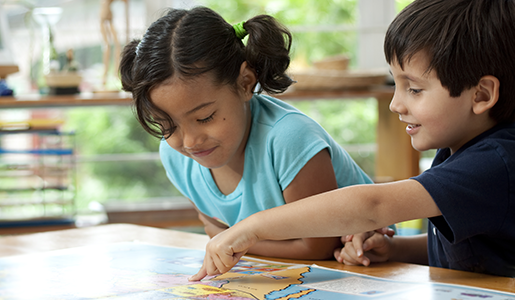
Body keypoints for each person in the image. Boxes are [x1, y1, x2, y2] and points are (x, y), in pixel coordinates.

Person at [190, 0, 515, 281]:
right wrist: (394, 248)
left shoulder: (497, 162)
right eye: (396, 85)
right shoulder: (464, 147)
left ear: (482, 94)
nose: (395, 105)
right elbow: (472, 246)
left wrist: (252, 228)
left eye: (414, 89)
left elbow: (374, 206)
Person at [119, 7, 374, 261]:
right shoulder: (176, 156)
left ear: (245, 83)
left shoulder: (288, 139)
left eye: (205, 117)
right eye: (167, 125)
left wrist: (235, 240)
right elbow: (213, 230)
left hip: (374, 263)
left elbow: (317, 248)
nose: (189, 141)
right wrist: (228, 238)